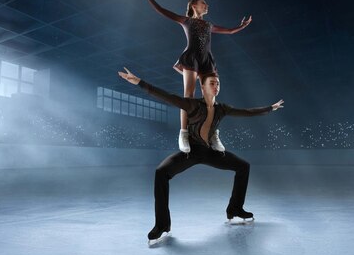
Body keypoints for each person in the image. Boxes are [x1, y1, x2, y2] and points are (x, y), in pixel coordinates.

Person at [117, 67, 284, 243]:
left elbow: (246, 112)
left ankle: (235, 208)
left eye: (218, 83)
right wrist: (139, 82)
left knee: (243, 166)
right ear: (202, 87)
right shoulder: (193, 105)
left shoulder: (222, 108)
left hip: (211, 152)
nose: (216, 86)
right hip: (192, 152)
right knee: (161, 172)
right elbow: (166, 96)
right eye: (212, 83)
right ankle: (162, 225)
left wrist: (270, 108)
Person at [140, 0, 253, 153]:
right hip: (191, 58)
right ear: (194, 6)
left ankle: (212, 133)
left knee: (211, 97)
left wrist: (241, 26)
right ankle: (184, 133)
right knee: (189, 95)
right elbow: (161, 10)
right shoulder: (186, 21)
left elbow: (229, 31)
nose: (207, 5)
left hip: (207, 59)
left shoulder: (208, 24)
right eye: (203, 3)